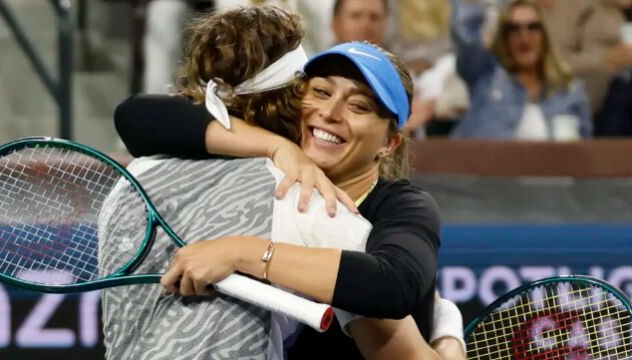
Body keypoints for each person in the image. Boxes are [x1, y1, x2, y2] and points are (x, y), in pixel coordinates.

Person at [108, 6, 466, 360]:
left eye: (358, 107)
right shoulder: (265, 171)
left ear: (389, 143)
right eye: (321, 92)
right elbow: (137, 116)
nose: (330, 113)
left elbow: (391, 286)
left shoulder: (397, 208)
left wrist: (241, 252)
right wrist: (277, 146)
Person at [449, 0, 592, 140]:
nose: (524, 37)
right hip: (488, 163)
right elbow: (466, 37)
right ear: (504, 38)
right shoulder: (486, 77)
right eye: (513, 29)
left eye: (533, 27)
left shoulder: (570, 91)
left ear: (546, 34)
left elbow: (584, 152)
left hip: (553, 164)